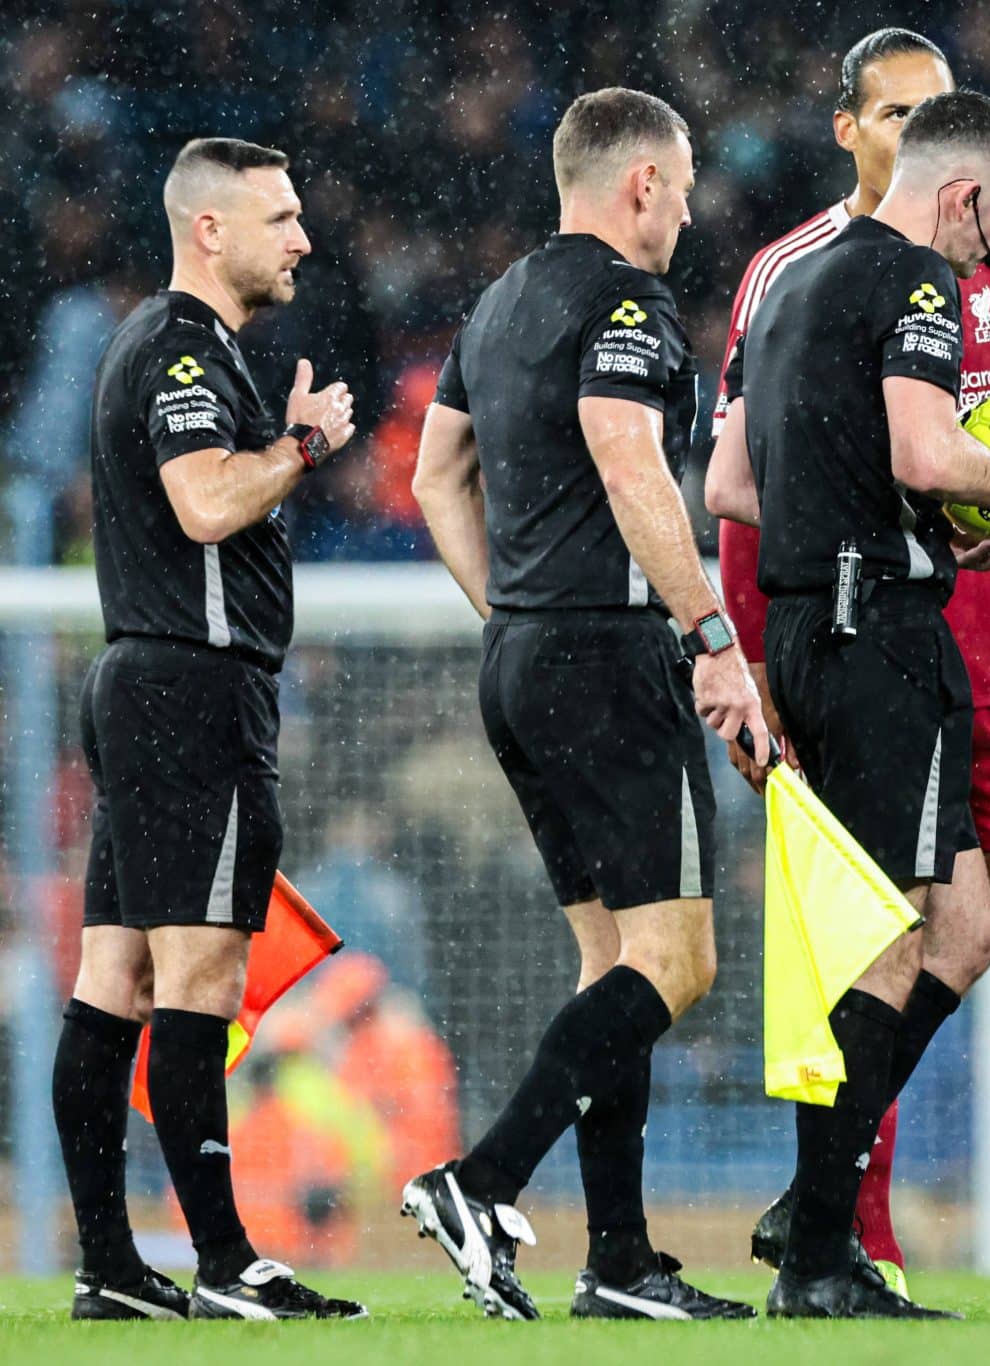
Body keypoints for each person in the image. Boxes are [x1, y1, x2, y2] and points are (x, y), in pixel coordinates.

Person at [712, 27, 990, 1314]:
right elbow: (750, 495)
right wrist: (747, 666)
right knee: (887, 939)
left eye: (933, 108)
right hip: (872, 637)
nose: (912, 128)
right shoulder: (792, 272)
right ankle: (844, 1239)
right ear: (850, 128)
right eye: (892, 110)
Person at [405, 87, 762, 1322]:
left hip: (524, 654)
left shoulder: (500, 301)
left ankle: (618, 1258)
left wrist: (506, 606)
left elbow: (429, 473)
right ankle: (479, 1179)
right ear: (644, 184)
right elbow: (626, 455)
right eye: (687, 182)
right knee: (681, 959)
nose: (690, 207)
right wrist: (711, 635)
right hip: (608, 653)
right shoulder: (626, 300)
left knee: (609, 959)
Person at [55, 136, 364, 1321]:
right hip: (192, 690)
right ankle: (229, 1262)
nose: (301, 238)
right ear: (209, 230)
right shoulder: (183, 344)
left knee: (117, 972)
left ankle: (107, 1266)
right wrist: (301, 446)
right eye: (279, 217)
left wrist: (270, 441)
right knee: (199, 973)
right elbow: (203, 503)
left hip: (143, 683)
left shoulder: (174, 347)